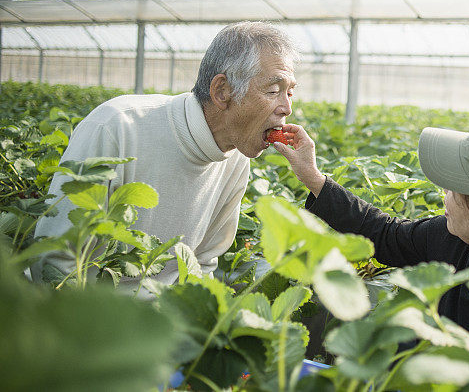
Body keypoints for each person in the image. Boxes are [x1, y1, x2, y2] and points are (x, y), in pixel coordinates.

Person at [274, 117, 469, 363]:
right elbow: (385, 234)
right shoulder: (456, 238)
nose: (443, 193)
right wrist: (311, 176)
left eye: (454, 188)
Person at [33, 21, 298, 291]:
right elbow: (53, 261)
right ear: (222, 91)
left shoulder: (237, 157)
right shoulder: (117, 127)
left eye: (290, 92)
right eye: (273, 91)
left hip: (166, 319)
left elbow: (203, 264)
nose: (287, 108)